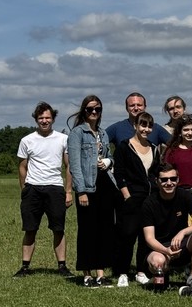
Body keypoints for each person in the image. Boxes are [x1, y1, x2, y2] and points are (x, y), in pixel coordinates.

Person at [13, 102, 74, 278]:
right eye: (41, 118)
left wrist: (68, 191)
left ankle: (62, 266)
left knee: (58, 229)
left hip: (55, 188)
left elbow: (68, 166)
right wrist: (24, 190)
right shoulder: (27, 140)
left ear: (53, 118)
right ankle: (25, 267)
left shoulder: (63, 139)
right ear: (36, 119)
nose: (44, 121)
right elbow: (22, 167)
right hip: (32, 189)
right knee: (30, 229)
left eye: (47, 117)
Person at [67, 95, 117, 287]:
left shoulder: (103, 133)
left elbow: (110, 156)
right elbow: (75, 164)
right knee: (88, 230)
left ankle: (101, 274)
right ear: (83, 111)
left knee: (105, 230)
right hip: (87, 186)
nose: (94, 112)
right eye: (90, 109)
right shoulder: (77, 133)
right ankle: (87, 274)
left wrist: (108, 161)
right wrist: (81, 191)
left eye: (97, 109)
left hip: (104, 185)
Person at [142, 163, 192, 289]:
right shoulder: (149, 203)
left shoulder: (184, 196)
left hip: (182, 245)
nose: (169, 183)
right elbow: (149, 238)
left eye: (173, 179)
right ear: (157, 181)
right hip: (159, 248)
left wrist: (183, 232)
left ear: (178, 180)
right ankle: (162, 275)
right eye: (164, 180)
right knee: (158, 261)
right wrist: (166, 251)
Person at [113, 112, 161, 285]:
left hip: (150, 200)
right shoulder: (125, 147)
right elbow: (119, 173)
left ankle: (141, 271)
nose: (145, 129)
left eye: (149, 126)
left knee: (146, 237)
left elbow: (155, 173)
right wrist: (127, 196)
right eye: (142, 125)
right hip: (131, 199)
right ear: (135, 126)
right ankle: (122, 272)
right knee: (127, 236)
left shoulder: (154, 148)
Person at [106, 92, 171, 147]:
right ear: (126, 108)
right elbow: (98, 143)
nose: (136, 108)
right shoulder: (117, 128)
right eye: (132, 105)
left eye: (139, 105)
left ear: (145, 107)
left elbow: (176, 146)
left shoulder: (156, 128)